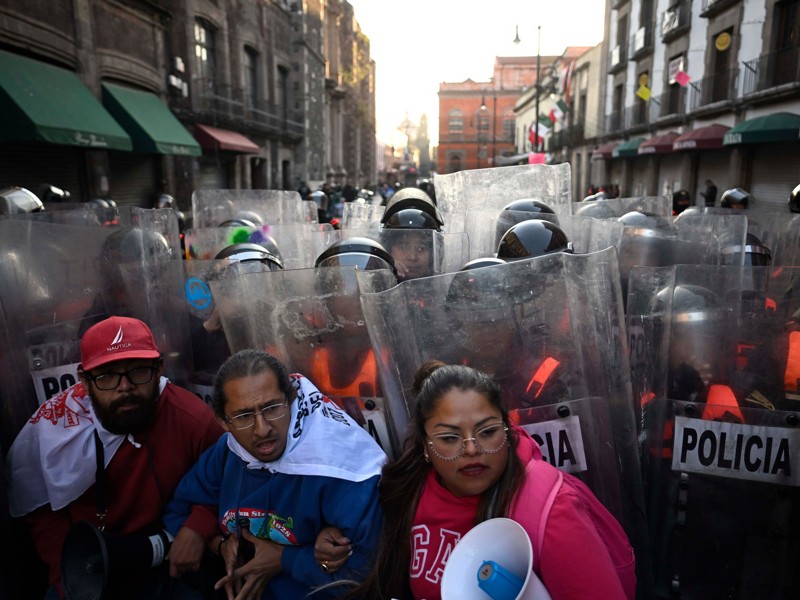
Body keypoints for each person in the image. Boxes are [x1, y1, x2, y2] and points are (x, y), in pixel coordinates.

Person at [324, 362, 635, 600]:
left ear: (507, 430)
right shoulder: (410, 492)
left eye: (487, 432)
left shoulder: (552, 509)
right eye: (449, 438)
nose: (472, 449)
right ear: (425, 446)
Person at [5, 316, 224, 598]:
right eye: (107, 375)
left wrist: (198, 526)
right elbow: (42, 512)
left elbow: (226, 477)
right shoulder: (54, 433)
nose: (125, 386)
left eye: (138, 371)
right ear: (85, 380)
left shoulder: (191, 418)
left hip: (169, 554)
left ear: (158, 368)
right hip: (89, 562)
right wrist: (70, 578)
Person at [162, 349, 386, 599]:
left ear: (291, 400)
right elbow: (178, 509)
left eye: (271, 408)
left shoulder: (340, 467)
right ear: (223, 421)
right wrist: (218, 544)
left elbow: (372, 572)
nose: (262, 429)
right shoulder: (228, 452)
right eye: (244, 416)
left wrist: (286, 559)